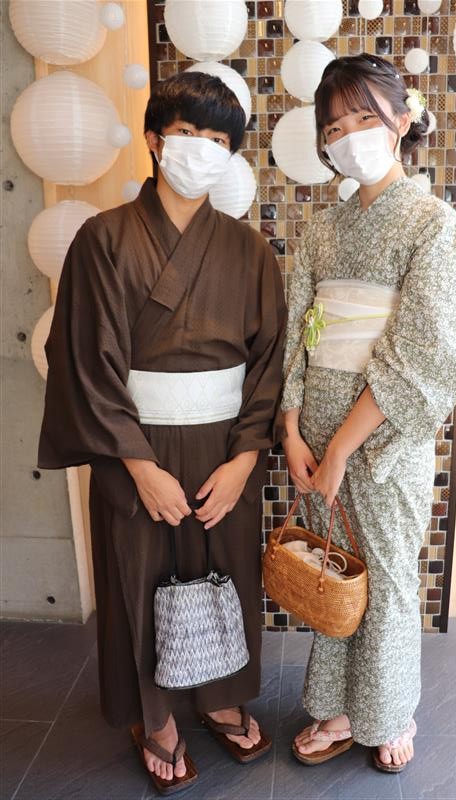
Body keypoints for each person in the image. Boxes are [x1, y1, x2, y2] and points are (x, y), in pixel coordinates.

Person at [38, 72, 287, 795]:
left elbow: (268, 361)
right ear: (154, 140)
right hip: (133, 444)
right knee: (139, 577)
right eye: (186, 134)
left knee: (226, 569)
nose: (201, 149)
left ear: (231, 154)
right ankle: (155, 717)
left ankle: (220, 697)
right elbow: (84, 360)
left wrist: (245, 458)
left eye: (218, 140)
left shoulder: (249, 250)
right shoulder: (103, 238)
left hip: (225, 448)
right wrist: (139, 466)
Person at [281, 54, 456, 773]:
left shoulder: (431, 223)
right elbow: (298, 333)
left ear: (401, 120)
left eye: (364, 117)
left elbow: (428, 346)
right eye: (334, 126)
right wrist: (290, 425)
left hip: (382, 437)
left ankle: (390, 712)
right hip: (315, 432)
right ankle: (340, 708)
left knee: (389, 576)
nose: (349, 136)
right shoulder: (321, 229)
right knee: (335, 572)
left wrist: (342, 447)